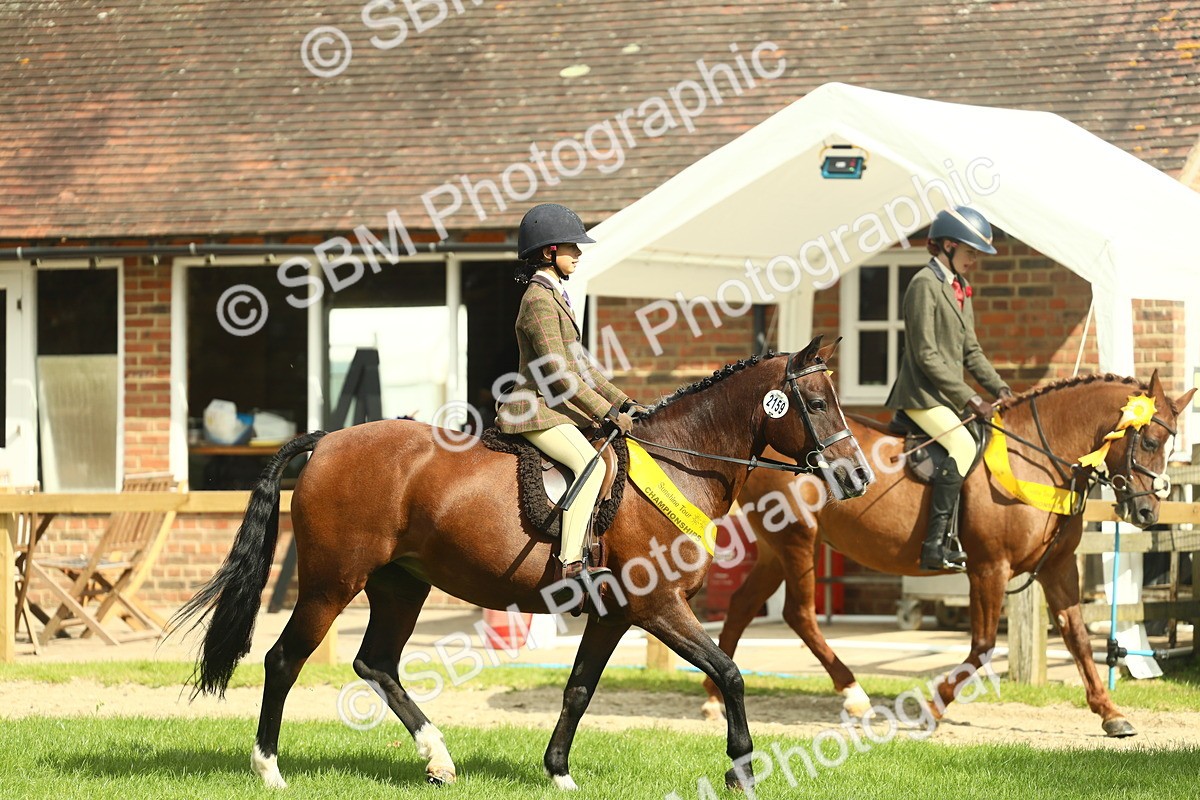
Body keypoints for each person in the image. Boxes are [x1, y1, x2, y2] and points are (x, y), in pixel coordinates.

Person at [496, 203, 649, 588]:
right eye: (571, 247)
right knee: (591, 466)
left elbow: (582, 368)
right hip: (534, 408)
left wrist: (624, 402)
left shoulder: (556, 296)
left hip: (556, 408)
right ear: (550, 252)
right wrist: (606, 413)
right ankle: (570, 564)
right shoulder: (538, 300)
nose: (578, 254)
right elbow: (558, 374)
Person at [885, 206, 1013, 571]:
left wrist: (1000, 389)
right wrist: (970, 397)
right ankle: (934, 545)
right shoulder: (923, 285)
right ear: (948, 245)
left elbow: (971, 351)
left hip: (945, 399)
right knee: (963, 444)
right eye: (970, 251)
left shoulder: (960, 289)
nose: (974, 259)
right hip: (921, 396)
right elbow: (925, 355)